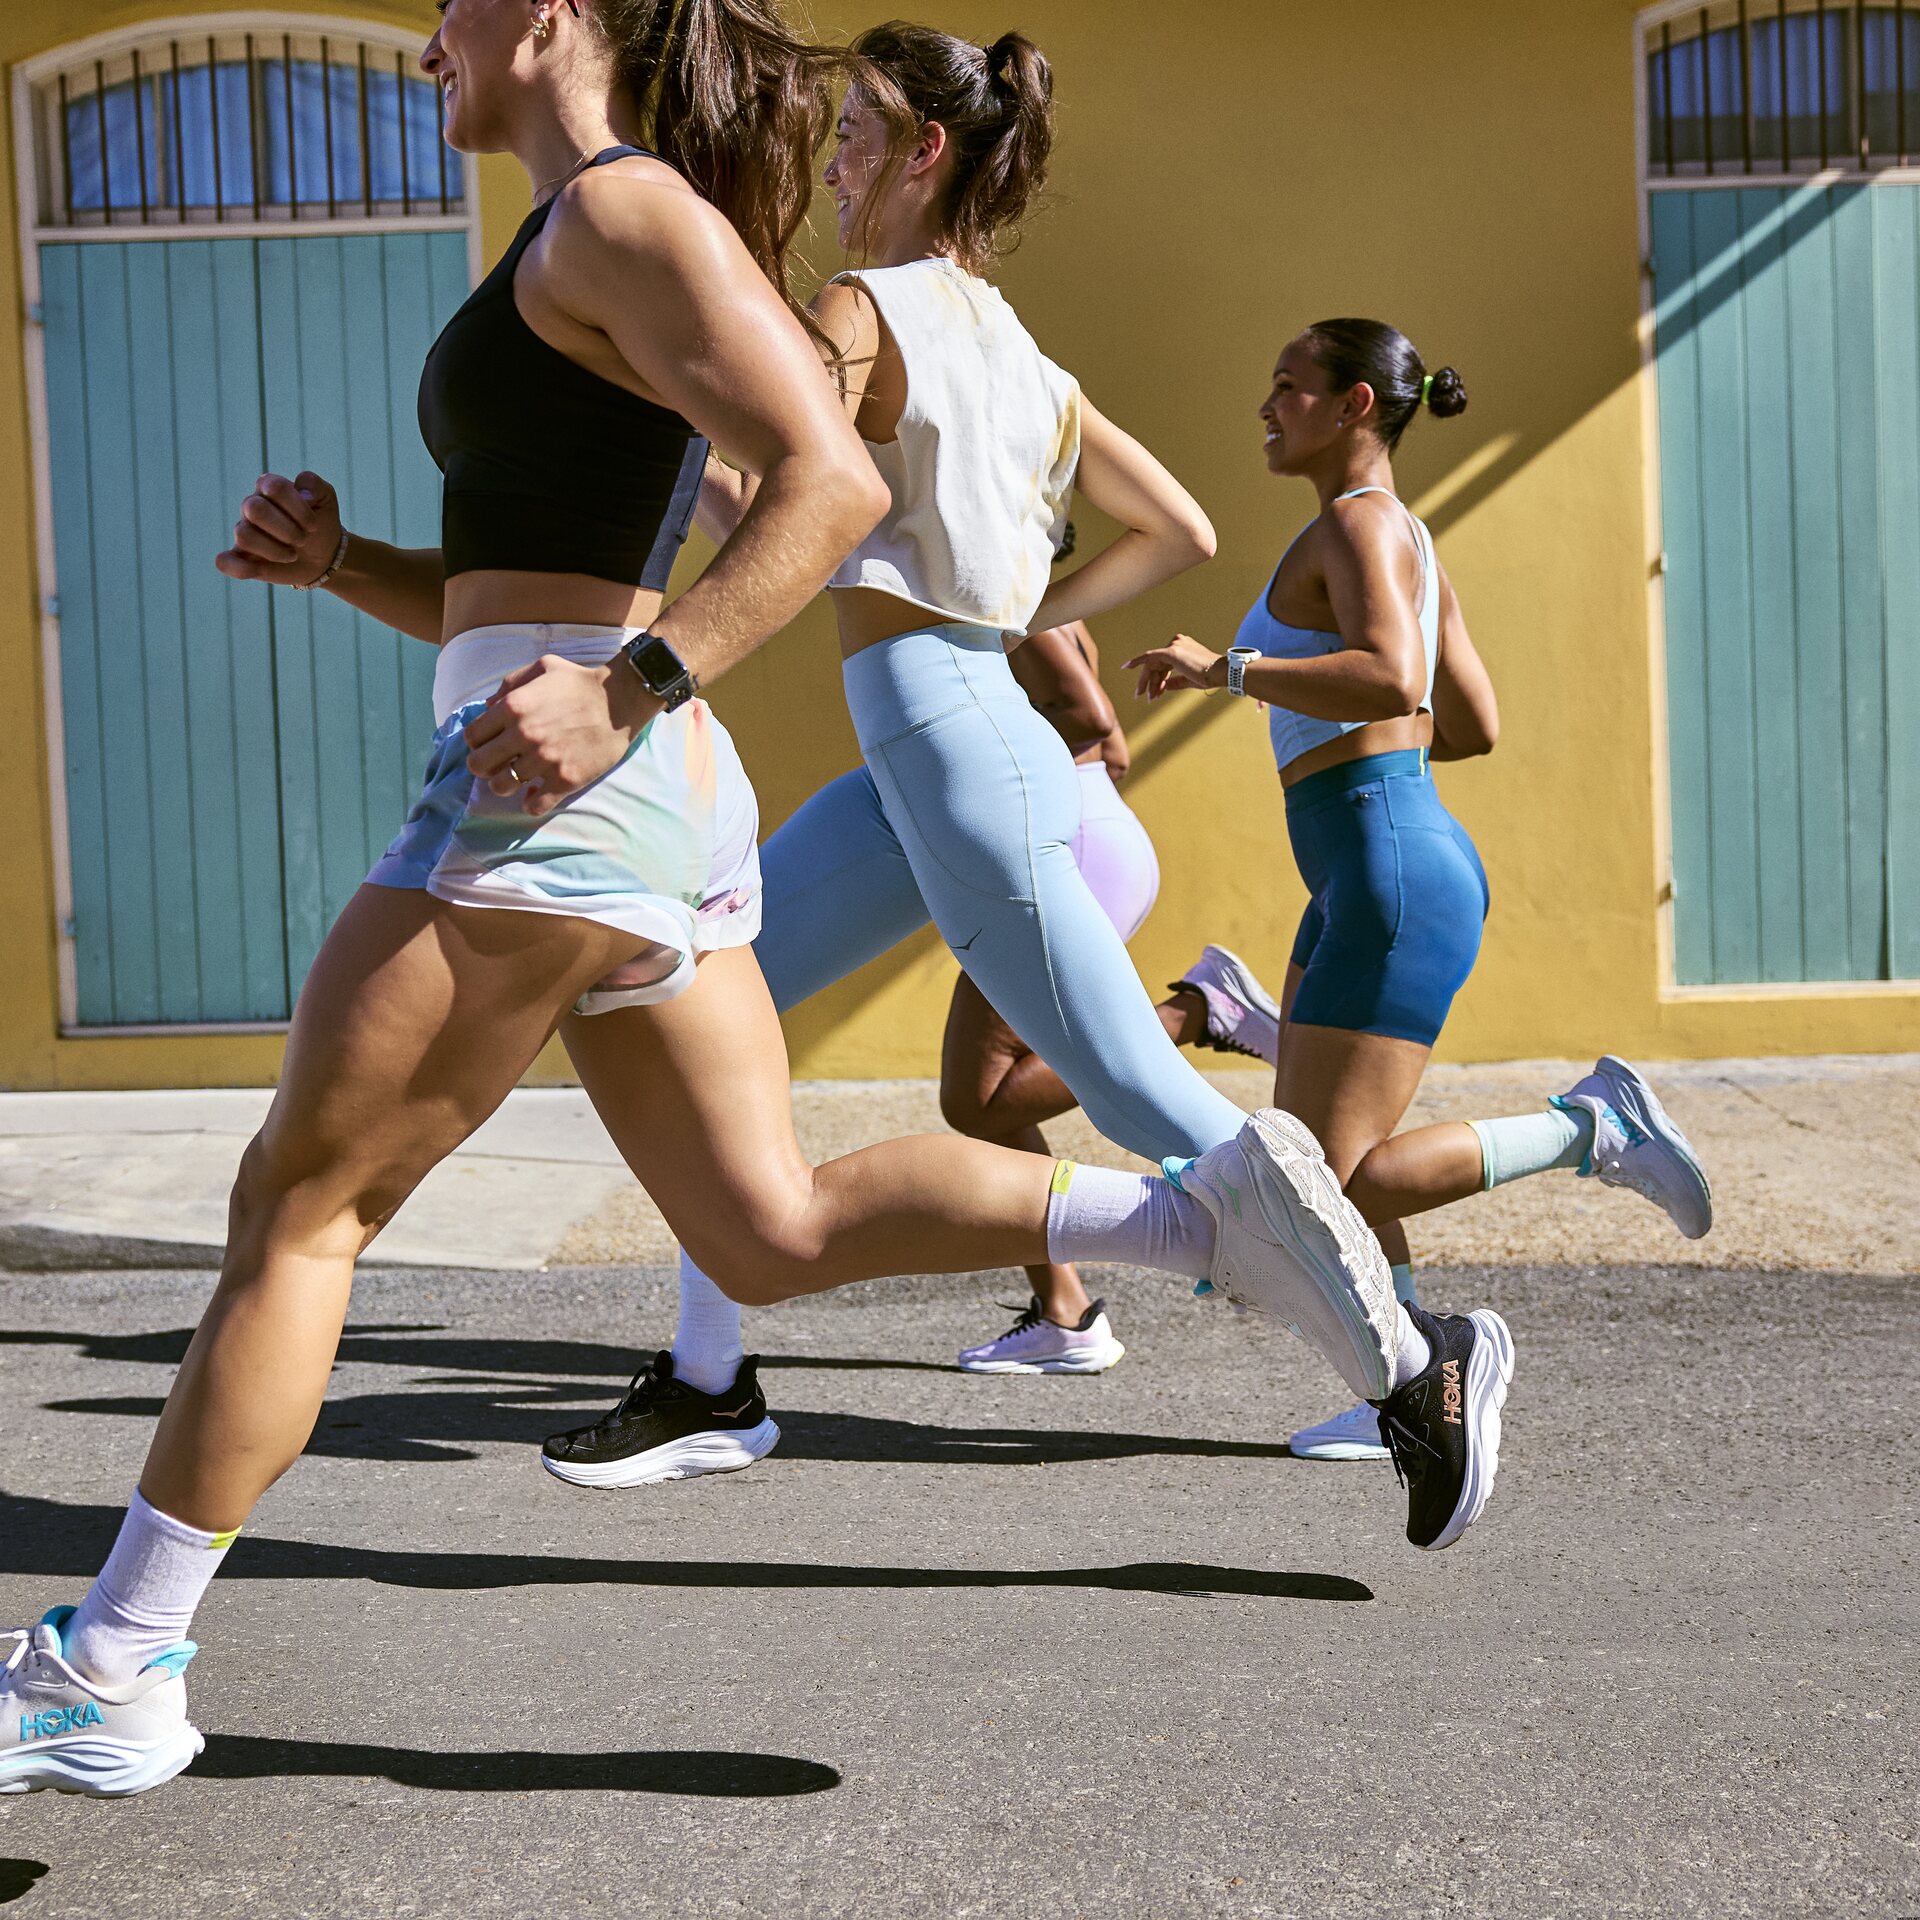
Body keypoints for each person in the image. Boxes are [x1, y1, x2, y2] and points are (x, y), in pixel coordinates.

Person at [0, 3, 1482, 1803]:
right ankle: (1197, 1224)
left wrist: (634, 687)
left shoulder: (624, 212)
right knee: (768, 1228)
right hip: (629, 791)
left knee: (300, 1211)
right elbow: (537, 584)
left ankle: (114, 1666)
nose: (429, 38)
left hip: (571, 795)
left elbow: (826, 483)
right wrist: (343, 567)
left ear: (555, 14)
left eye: (456, 3)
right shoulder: (601, 228)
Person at [543, 23, 1512, 1496]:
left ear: (927, 150)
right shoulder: (1022, 354)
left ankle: (1414, 1358)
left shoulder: (861, 308)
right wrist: (1016, 611)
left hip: (954, 748)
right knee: (710, 1010)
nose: (837, 159)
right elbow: (1179, 528)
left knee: (1145, 1097)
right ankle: (708, 1379)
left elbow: (782, 482)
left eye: (858, 132)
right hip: (938, 745)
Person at [1125, 319, 1713, 1462]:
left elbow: (1395, 677)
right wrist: (1372, 754)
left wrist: (1225, 670)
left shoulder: (1357, 524)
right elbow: (1472, 720)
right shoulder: (1405, 538)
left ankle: (1591, 1128)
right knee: (1310, 1158)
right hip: (1373, 860)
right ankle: (1400, 1374)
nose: (1267, 407)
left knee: (1337, 1176)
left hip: (1387, 868)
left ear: (1355, 404)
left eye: (1289, 386)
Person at [942, 609, 1155, 1374]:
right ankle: (1065, 1311)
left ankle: (1195, 1012)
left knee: (978, 1100)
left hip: (1072, 845)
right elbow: (1115, 750)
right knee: (982, 1100)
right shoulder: (1055, 612)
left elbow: (1087, 718)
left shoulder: (1017, 611)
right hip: (1090, 831)